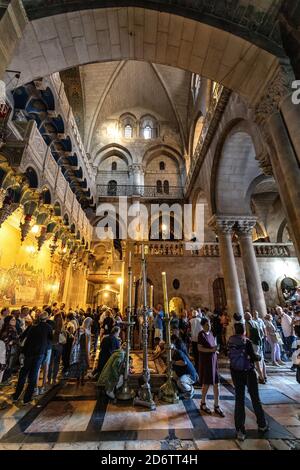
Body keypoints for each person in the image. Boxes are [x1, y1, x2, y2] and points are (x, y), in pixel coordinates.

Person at [228, 322, 269, 441]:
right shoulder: (246, 341)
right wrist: (259, 357)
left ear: (234, 331)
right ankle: (262, 425)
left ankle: (240, 430)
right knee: (255, 398)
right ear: (244, 331)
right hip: (248, 372)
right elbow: (253, 356)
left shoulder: (230, 341)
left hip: (235, 372)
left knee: (239, 400)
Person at [12, 311, 53, 405]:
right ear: (46, 318)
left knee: (23, 373)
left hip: (29, 353)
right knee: (33, 375)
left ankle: (16, 396)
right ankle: (26, 399)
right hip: (40, 353)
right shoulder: (48, 327)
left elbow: (24, 338)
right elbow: (51, 340)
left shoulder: (32, 326)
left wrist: (22, 351)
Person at [198, 317, 224, 417]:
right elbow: (200, 348)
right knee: (207, 383)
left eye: (209, 324)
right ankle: (203, 403)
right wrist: (211, 351)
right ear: (203, 325)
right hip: (206, 362)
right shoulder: (201, 334)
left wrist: (215, 350)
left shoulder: (212, 334)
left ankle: (216, 405)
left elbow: (213, 346)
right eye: (207, 324)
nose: (209, 325)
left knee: (217, 383)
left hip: (214, 361)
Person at [244, 312, 266, 384]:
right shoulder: (256, 322)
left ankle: (261, 377)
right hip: (259, 343)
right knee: (261, 360)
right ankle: (264, 375)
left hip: (253, 344)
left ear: (245, 318)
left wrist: (247, 340)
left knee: (256, 361)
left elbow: (248, 335)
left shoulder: (247, 323)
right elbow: (262, 333)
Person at [0, 315, 19, 384]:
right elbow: (16, 340)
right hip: (8, 350)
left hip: (2, 349)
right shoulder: (12, 329)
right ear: (8, 321)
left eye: (14, 320)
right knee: (7, 365)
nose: (15, 321)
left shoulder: (4, 328)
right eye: (12, 320)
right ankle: (4, 380)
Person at [48, 312, 64, 385]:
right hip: (59, 346)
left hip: (51, 345)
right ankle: (54, 379)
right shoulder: (62, 327)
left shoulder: (51, 326)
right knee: (57, 363)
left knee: (50, 363)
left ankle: (48, 379)